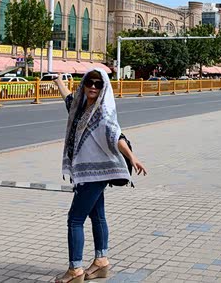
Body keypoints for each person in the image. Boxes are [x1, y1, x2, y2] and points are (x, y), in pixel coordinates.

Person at [53, 69, 147, 283]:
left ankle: (75, 270)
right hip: (87, 171)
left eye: (98, 84)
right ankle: (101, 262)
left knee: (75, 219)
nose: (93, 87)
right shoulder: (78, 107)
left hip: (94, 172)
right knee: (97, 216)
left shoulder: (102, 113)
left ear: (104, 88)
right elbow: (68, 98)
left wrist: (132, 157)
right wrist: (59, 81)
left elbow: (116, 135)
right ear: (84, 84)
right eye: (89, 82)